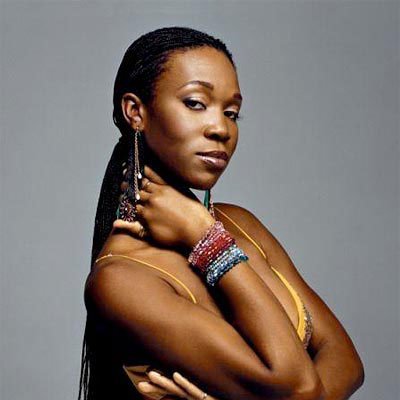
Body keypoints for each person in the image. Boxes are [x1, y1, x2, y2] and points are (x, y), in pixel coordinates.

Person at [78, 27, 364, 400]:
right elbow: (300, 387)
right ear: (135, 112)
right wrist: (208, 242)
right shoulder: (120, 280)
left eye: (232, 113)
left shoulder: (240, 224)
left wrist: (206, 234)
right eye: (196, 103)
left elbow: (347, 362)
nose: (221, 129)